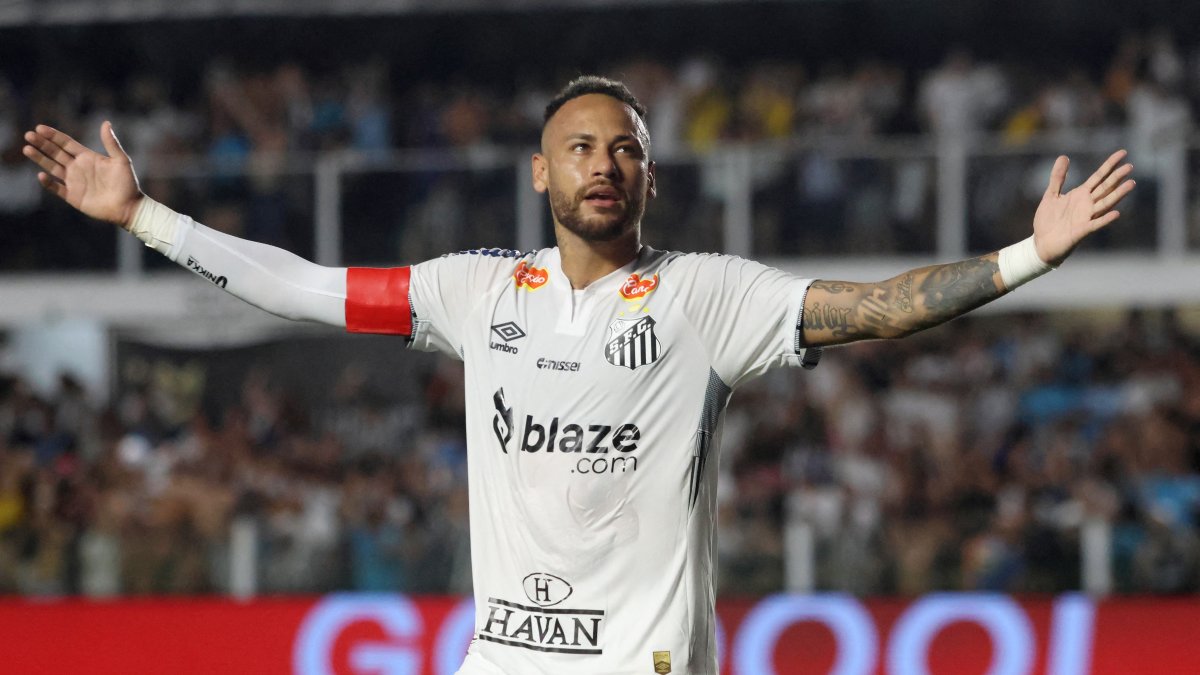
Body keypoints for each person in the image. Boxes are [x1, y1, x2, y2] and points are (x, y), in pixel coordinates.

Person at [22, 75, 1133, 675]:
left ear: (651, 176)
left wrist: (1028, 255)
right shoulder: (476, 291)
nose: (606, 164)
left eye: (628, 147)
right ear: (539, 171)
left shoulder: (707, 297)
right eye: (583, 147)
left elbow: (878, 307)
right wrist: (148, 217)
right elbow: (304, 286)